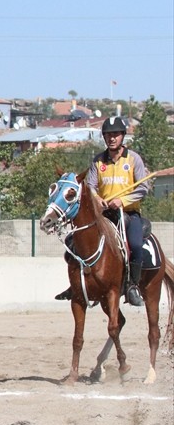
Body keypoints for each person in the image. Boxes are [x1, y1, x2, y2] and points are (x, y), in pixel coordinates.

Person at [55, 115, 150, 306]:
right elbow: (89, 187)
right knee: (72, 242)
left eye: (115, 134)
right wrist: (97, 199)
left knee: (136, 246)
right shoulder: (98, 161)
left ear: (123, 136)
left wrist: (122, 201)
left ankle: (131, 286)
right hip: (104, 215)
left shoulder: (134, 159)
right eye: (108, 135)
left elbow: (143, 188)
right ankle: (74, 285)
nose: (112, 138)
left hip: (128, 215)